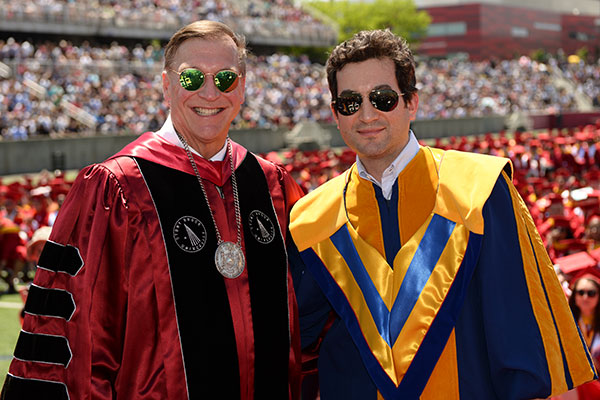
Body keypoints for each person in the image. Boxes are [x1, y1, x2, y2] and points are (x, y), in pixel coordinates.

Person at [1, 20, 303, 400]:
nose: (210, 92)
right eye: (192, 78)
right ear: (166, 85)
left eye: (225, 78)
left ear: (241, 88)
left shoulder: (273, 185)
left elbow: (307, 323)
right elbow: (79, 341)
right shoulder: (117, 188)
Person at [288, 29, 596, 399]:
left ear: (412, 103)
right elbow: (297, 349)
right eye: (350, 102)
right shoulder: (311, 220)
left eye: (383, 98)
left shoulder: (479, 191)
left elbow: (519, 333)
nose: (367, 114)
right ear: (335, 115)